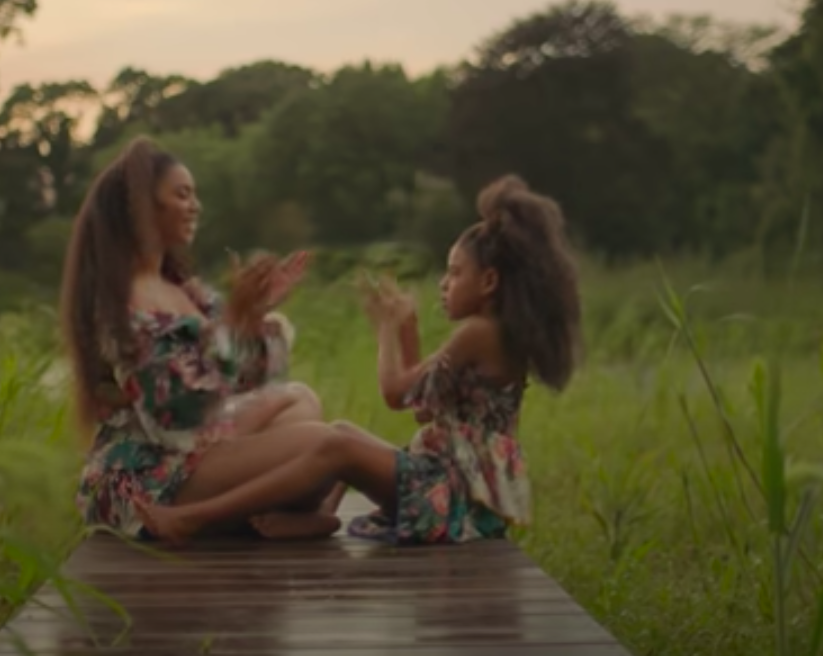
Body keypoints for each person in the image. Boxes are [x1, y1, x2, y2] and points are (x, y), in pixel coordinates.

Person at [136, 174, 584, 546]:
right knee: (343, 432)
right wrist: (409, 334)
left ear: (488, 281)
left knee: (337, 446)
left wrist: (387, 331)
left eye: (454, 272)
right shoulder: (496, 334)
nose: (444, 284)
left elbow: (395, 394)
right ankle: (322, 517)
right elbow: (425, 408)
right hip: (449, 487)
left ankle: (192, 518)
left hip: (451, 499)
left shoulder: (478, 333)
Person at [62, 136, 343, 542]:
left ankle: (272, 513)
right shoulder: (120, 301)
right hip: (147, 475)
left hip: (194, 447)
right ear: (142, 208)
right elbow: (175, 416)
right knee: (322, 444)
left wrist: (254, 317)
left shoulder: (185, 290)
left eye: (195, 195)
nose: (196, 206)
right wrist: (235, 322)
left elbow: (251, 380)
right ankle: (244, 512)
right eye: (182, 194)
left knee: (301, 400)